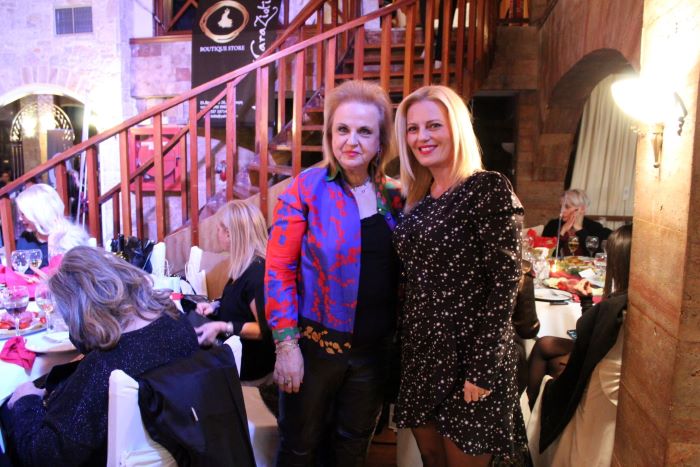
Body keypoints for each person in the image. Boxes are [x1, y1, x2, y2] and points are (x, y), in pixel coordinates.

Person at [265, 79, 403, 466]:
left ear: (381, 140)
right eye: (342, 129)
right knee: (299, 448)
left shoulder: (395, 195)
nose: (351, 141)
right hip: (313, 351)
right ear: (329, 135)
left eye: (364, 131)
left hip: (373, 354)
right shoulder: (305, 189)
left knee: (353, 451)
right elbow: (278, 270)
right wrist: (286, 346)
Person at [393, 85, 526, 466]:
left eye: (434, 125)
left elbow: (506, 283)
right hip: (422, 354)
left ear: (457, 128)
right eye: (413, 128)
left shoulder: (487, 187)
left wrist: (482, 367)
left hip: (471, 355)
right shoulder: (418, 200)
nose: (422, 136)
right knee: (431, 459)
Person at [0, 246, 199, 466]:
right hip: (177, 443)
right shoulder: (175, 320)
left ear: (78, 310)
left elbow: (45, 455)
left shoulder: (104, 367)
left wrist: (26, 401)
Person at [526, 224, 632, 467]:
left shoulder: (614, 308)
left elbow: (586, 338)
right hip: (602, 363)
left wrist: (587, 305)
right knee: (545, 344)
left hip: (594, 374)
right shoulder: (624, 303)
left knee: (543, 351)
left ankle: (534, 419)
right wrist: (587, 301)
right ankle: (531, 415)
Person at [193, 200, 276, 384]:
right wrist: (215, 306)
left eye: (219, 229)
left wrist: (222, 326)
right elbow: (240, 303)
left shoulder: (257, 273)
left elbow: (264, 329)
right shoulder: (244, 266)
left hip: (251, 371)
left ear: (229, 234)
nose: (217, 234)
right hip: (235, 359)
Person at [14, 183, 88, 269]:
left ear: (38, 213)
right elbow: (19, 272)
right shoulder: (25, 239)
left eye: (23, 214)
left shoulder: (72, 238)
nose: (20, 218)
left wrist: (52, 246)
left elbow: (66, 274)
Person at [542, 188, 611, 256]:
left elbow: (595, 255)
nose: (562, 211)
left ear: (582, 209)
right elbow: (546, 254)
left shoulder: (594, 227)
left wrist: (580, 230)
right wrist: (562, 231)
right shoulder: (552, 225)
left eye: (567, 207)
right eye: (561, 207)